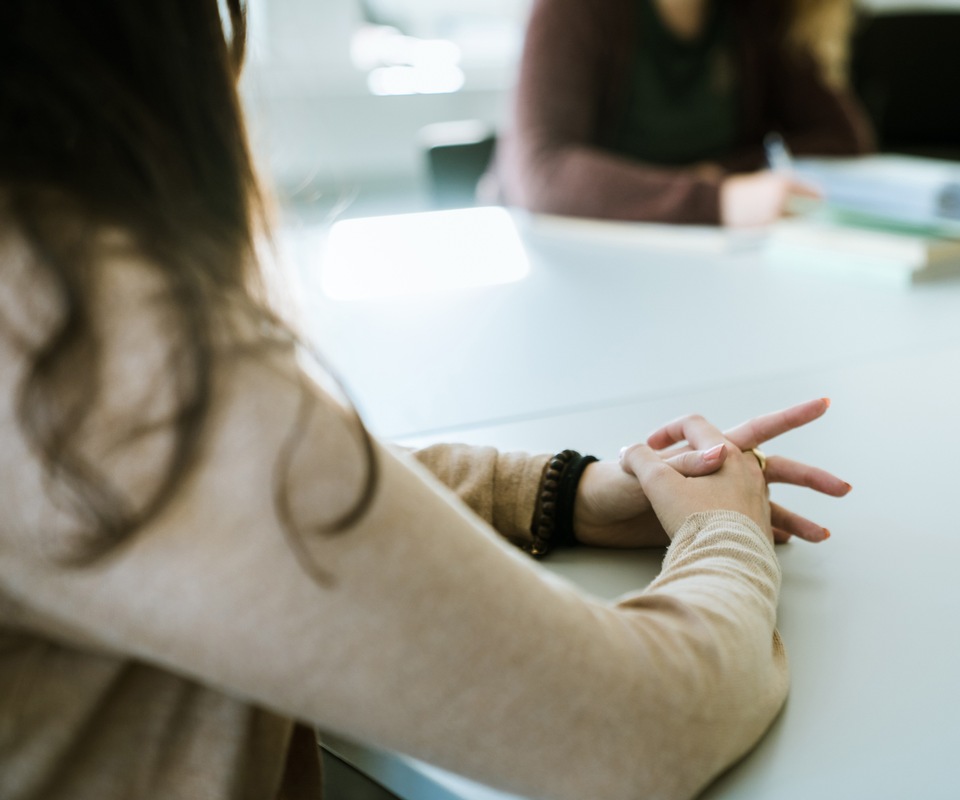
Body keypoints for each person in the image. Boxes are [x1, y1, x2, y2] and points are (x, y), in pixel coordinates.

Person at [0, 2, 852, 799]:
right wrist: (727, 532)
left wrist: (565, 492)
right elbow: (644, 724)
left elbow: (283, 484)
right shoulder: (98, 361)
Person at [492, 0, 874, 227]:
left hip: (704, 260)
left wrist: (722, 174)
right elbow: (541, 173)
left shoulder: (755, 12)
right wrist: (714, 200)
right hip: (568, 266)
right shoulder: (578, 10)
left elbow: (842, 139)